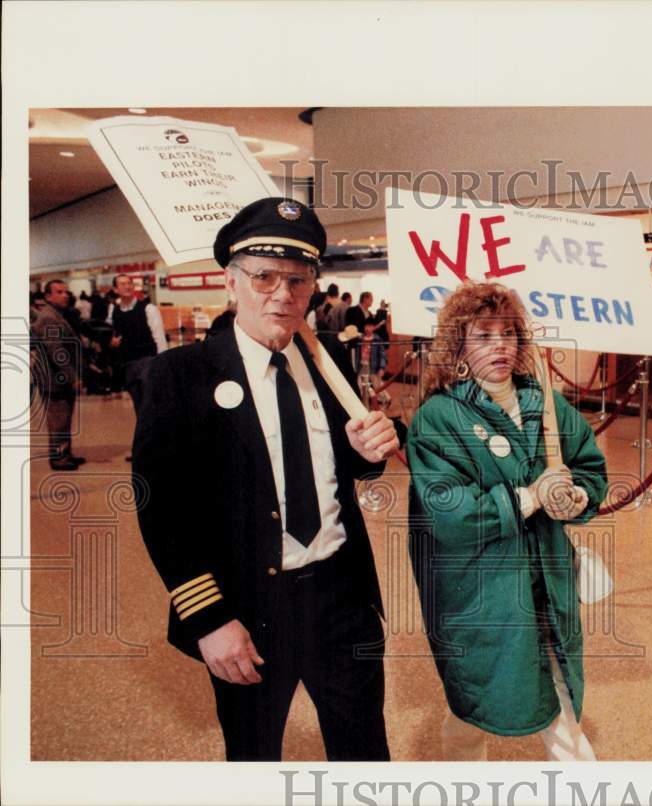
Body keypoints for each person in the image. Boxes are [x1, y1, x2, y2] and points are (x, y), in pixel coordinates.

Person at [132, 197, 399, 762]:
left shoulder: (329, 358)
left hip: (340, 596)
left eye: (298, 280)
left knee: (364, 753)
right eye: (264, 277)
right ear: (231, 282)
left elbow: (343, 466)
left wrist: (368, 453)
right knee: (253, 758)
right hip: (247, 606)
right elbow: (161, 509)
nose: (282, 293)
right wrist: (207, 619)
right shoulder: (183, 375)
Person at [405, 282, 608, 761]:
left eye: (508, 333)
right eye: (483, 335)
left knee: (559, 705)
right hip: (480, 595)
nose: (499, 344)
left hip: (546, 585)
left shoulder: (548, 407)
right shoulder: (439, 418)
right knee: (470, 707)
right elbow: (449, 511)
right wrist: (528, 497)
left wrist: (575, 495)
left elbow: (588, 467)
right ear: (458, 346)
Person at [30, 279, 86, 470]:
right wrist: (73, 377)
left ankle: (66, 453)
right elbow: (56, 352)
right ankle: (59, 459)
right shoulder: (48, 318)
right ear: (48, 296)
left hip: (58, 378)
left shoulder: (57, 315)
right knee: (58, 420)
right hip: (54, 379)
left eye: (66, 292)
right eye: (59, 292)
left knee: (64, 418)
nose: (65, 295)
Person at [108, 273, 167, 415]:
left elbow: (159, 337)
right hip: (127, 363)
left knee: (151, 403)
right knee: (138, 405)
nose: (127, 286)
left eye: (129, 283)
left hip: (148, 361)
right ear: (115, 289)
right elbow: (109, 332)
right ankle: (144, 435)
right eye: (122, 284)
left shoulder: (148, 308)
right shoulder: (113, 310)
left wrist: (162, 364)